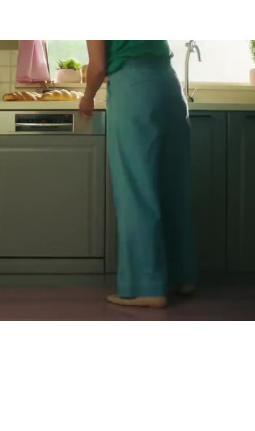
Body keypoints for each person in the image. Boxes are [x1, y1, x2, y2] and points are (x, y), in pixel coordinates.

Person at [79, 40, 197, 308]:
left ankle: (147, 287)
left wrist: (87, 97)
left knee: (136, 189)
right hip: (169, 85)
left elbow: (98, 67)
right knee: (173, 188)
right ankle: (183, 276)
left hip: (134, 89)